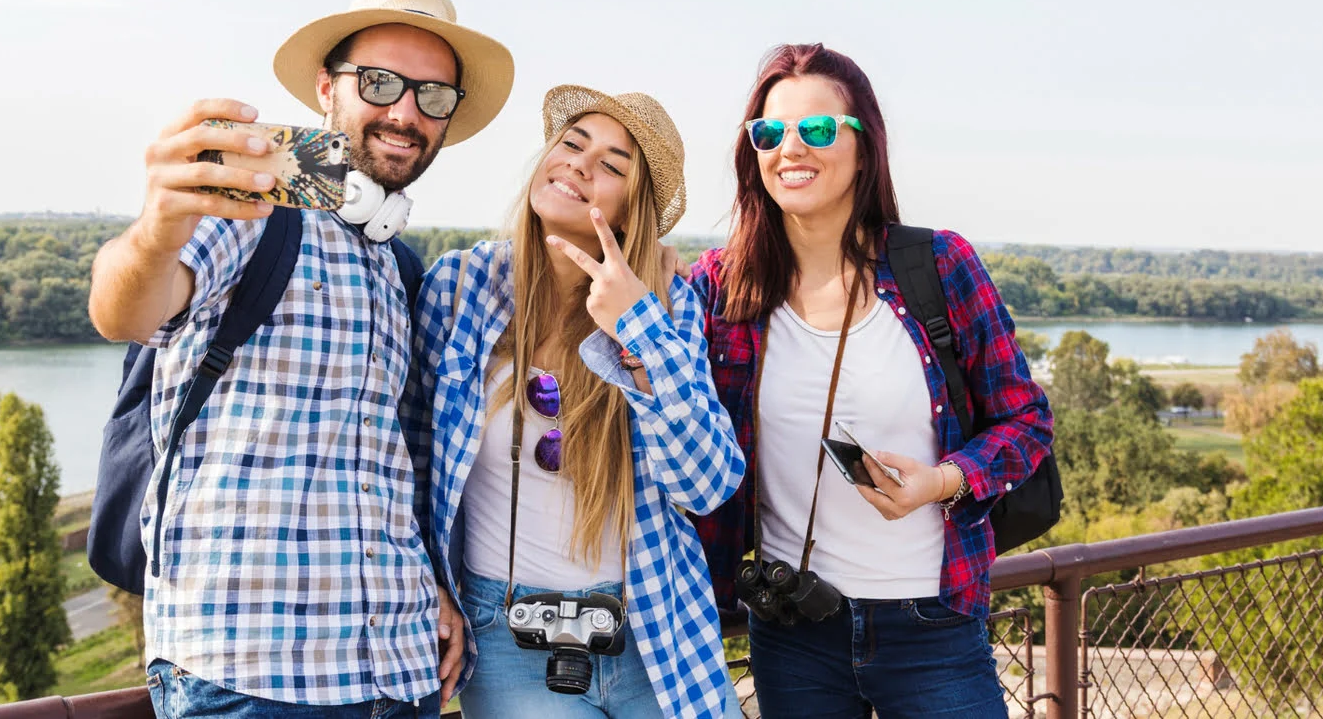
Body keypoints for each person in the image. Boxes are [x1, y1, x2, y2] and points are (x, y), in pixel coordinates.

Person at [87, 0, 514, 719]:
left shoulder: (399, 267)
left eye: (433, 95)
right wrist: (156, 230)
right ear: (326, 88)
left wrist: (433, 586)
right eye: (379, 82)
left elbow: (387, 469)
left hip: (400, 674)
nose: (404, 112)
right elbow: (124, 310)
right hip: (254, 678)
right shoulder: (251, 212)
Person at [690, 44, 1053, 719]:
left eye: (817, 128)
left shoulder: (938, 265)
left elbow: (1027, 420)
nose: (791, 148)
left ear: (865, 149)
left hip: (933, 623)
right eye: (769, 132)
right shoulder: (721, 286)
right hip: (792, 629)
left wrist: (940, 481)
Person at [415, 85, 746, 719]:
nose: (580, 163)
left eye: (612, 165)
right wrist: (429, 583)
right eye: (572, 143)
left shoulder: (667, 306)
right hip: (507, 636)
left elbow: (707, 484)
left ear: (629, 213)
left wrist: (638, 329)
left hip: (654, 628)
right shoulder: (460, 287)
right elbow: (412, 454)